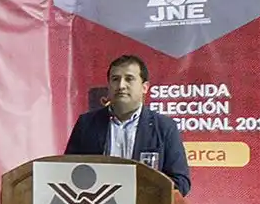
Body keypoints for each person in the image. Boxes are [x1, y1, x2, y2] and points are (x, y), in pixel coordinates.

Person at [64, 54, 191, 196]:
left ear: (145, 87)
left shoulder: (165, 127)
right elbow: (68, 173)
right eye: (115, 79)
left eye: (129, 79)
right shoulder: (86, 124)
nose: (121, 86)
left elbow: (181, 183)